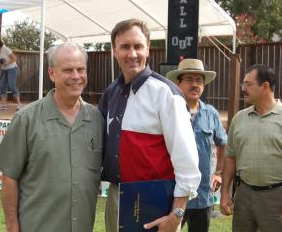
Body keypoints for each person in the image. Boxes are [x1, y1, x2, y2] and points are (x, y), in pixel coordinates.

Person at [98, 19, 201, 232]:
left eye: (138, 46)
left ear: (148, 49)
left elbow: (186, 160)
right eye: (125, 47)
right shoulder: (111, 92)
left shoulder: (166, 94)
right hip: (117, 197)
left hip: (155, 203)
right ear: (114, 51)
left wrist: (177, 214)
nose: (132, 53)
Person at [0, 43, 104, 232]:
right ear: (52, 73)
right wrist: (12, 225)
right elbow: (9, 178)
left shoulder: (97, 119)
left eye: (80, 69)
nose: (76, 76)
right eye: (68, 70)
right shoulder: (26, 119)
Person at [166, 58, 227, 232]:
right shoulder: (168, 111)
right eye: (189, 80)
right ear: (178, 83)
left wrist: (218, 174)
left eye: (199, 81)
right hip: (173, 193)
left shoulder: (211, 113)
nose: (195, 85)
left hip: (202, 196)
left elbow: (223, 144)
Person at [220, 64, 282, 232]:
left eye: (248, 84)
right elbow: (231, 157)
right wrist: (225, 192)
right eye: (242, 84)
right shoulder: (239, 119)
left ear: (265, 86)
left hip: (276, 197)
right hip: (244, 194)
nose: (243, 89)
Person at [0, 38, 22, 110]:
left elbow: (14, 58)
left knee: (12, 85)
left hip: (12, 68)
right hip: (4, 70)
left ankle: (19, 104)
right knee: (2, 85)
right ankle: (4, 105)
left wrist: (6, 63)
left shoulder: (6, 49)